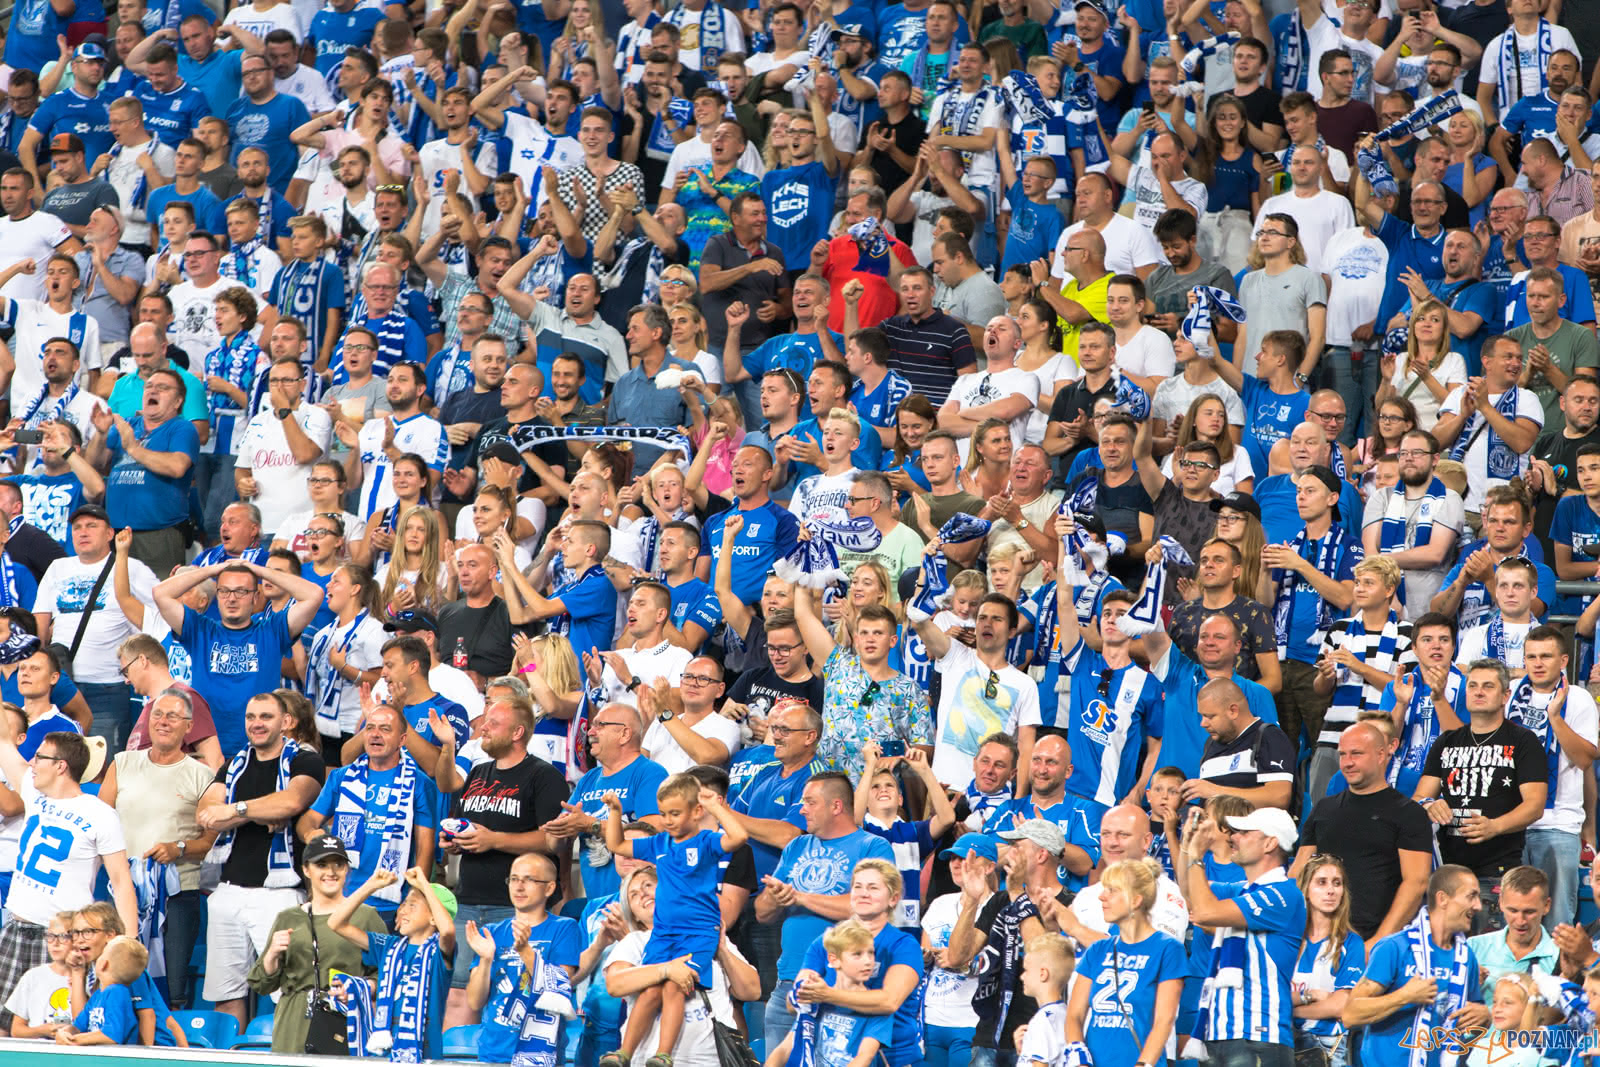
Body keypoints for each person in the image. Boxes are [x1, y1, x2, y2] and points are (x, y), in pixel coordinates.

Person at [597, 772, 749, 1067]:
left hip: (699, 934)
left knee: (673, 986)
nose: (667, 820)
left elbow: (739, 837)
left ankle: (664, 1054)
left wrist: (716, 807)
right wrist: (615, 812)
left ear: (696, 811)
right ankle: (624, 1053)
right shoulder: (659, 844)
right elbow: (616, 844)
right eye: (664, 813)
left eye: (675, 813)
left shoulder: (706, 841)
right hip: (663, 934)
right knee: (651, 989)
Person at [193, 692, 326, 1027]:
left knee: (291, 990)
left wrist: (236, 808)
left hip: (280, 894)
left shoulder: (304, 760)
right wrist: (255, 812)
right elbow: (205, 814)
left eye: (266, 716)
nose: (257, 724)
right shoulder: (235, 763)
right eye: (251, 717)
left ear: (286, 722)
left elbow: (291, 802)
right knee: (227, 994)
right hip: (228, 891)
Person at [0, 729, 137, 1033]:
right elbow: (3, 741)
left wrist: (128, 944)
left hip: (61, 938)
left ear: (61, 765)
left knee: (54, 1027)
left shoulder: (101, 815)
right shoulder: (33, 793)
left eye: (39, 758)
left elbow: (121, 881)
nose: (31, 764)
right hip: (14, 928)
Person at [753, 772, 895, 1053]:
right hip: (788, 985)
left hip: (843, 988)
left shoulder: (872, 846)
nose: (801, 809)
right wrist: (776, 895)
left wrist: (800, 897)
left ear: (836, 806)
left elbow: (867, 907)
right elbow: (762, 914)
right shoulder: (796, 846)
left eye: (810, 802)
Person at [97, 686, 218, 1008]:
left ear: (189, 727)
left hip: (178, 894)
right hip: (123, 890)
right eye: (158, 714)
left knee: (171, 985)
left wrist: (178, 848)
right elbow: (99, 823)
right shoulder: (122, 763)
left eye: (173, 716)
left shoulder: (202, 775)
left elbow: (208, 843)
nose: (163, 722)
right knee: (116, 979)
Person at [1414, 659, 1549, 933]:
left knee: (1488, 957)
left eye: (1488, 686)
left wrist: (1495, 826)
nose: (1478, 692)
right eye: (1473, 685)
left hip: (1496, 869)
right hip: (1448, 872)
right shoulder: (1447, 741)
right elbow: (1419, 797)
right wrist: (1429, 804)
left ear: (1505, 695)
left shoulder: (1523, 741)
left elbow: (1535, 806)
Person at [154, 560, 324, 757]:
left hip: (260, 750)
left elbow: (314, 595)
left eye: (241, 591)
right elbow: (160, 594)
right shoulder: (200, 629)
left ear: (255, 596)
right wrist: (213, 570)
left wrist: (259, 570)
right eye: (224, 591)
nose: (231, 598)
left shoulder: (272, 631)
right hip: (205, 751)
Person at [1180, 806, 1307, 1065]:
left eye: (1244, 832)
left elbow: (1205, 913)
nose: (1233, 838)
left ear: (1271, 842)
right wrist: (1187, 845)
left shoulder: (1282, 894)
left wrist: (1196, 855)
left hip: (1259, 1034)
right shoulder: (1242, 891)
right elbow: (1191, 894)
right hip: (1218, 1031)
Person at [246, 832, 386, 1056]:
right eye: (321, 865)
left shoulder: (366, 916)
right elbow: (261, 984)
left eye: (338, 864)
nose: (331, 872)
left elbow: (387, 975)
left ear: (347, 870)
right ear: (306, 870)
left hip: (344, 1018)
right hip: (293, 1021)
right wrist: (272, 954)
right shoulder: (288, 917)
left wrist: (360, 988)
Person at [1294, 721, 1433, 945]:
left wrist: (1379, 941)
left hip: (1376, 941)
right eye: (1343, 755)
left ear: (1381, 755)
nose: (1347, 763)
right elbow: (1299, 872)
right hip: (1320, 940)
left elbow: (1416, 883)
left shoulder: (1409, 814)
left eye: (1356, 754)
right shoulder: (1324, 808)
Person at [1341, 864, 1487, 1067]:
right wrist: (1404, 996)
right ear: (1443, 899)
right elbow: (1350, 1014)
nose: (1478, 906)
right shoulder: (1395, 947)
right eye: (1471, 896)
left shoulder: (1465, 957)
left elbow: (1472, 1019)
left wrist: (1484, 1016)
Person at [34, 504, 154, 747]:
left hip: (108, 686)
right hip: (61, 685)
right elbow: (40, 624)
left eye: (91, 526)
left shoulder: (132, 568)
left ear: (110, 534)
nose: (82, 532)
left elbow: (158, 616)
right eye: (76, 528)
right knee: (57, 759)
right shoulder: (58, 567)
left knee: (103, 763)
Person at [1504, 626, 1598, 930]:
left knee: (1557, 921)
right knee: (1511, 919)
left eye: (1546, 656)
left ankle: (1558, 978)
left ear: (1563, 661)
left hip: (1558, 824)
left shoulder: (1580, 699)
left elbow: (1584, 760)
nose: (1538, 663)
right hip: (1511, 821)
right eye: (1531, 656)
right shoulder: (1511, 694)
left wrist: (1554, 718)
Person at [327, 865, 458, 1063]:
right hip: (384, 1052)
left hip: (424, 1056)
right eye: (404, 903)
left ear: (434, 917)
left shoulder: (437, 952)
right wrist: (370, 886)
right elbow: (336, 923)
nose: (403, 910)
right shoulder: (390, 946)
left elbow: (447, 931)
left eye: (412, 905)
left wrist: (424, 883)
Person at [1066, 858, 1186, 1067]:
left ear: (1136, 900)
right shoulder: (1097, 950)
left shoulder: (1168, 949)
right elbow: (1074, 1015)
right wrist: (1079, 1060)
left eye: (1112, 890)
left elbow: (1163, 1021)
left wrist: (1143, 1065)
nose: (1102, 897)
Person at [461, 850, 581, 1055]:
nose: (519, 886)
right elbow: (474, 1002)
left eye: (529, 879)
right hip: (494, 1050)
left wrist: (525, 951)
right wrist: (486, 959)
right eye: (514, 879)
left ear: (549, 888)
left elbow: (559, 986)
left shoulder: (564, 928)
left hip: (541, 1051)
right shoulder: (493, 932)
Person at [1361, 429, 1464, 620]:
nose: (1409, 458)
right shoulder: (1381, 497)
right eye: (1404, 453)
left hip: (1429, 615)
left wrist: (1382, 559)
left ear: (1434, 459)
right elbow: (1369, 552)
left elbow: (1435, 553)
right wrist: (1388, 595)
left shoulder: (1449, 498)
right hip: (1384, 607)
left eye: (1417, 453)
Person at [1291, 853, 1366, 1067]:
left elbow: (1341, 1005)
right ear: (1306, 888)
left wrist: (1289, 1009)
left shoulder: (1351, 943)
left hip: (1327, 1047)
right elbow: (1272, 995)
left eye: (1337, 883)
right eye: (1321, 883)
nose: (1331, 891)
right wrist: (1312, 996)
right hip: (1283, 1040)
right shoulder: (1289, 938)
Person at [1465, 865, 1558, 984]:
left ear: (1546, 906)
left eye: (1529, 912)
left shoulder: (1560, 956)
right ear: (1501, 902)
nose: (1520, 921)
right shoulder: (1473, 947)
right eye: (1513, 911)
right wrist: (1468, 986)